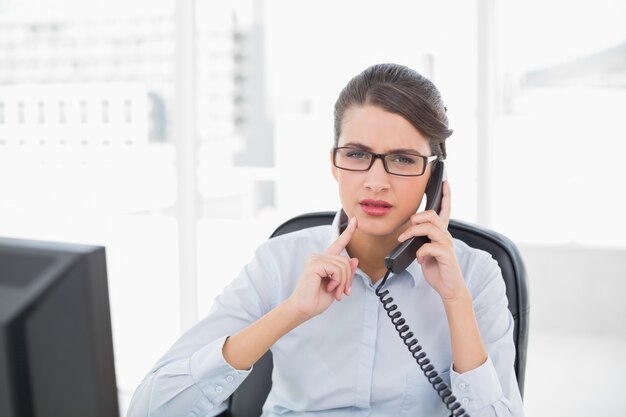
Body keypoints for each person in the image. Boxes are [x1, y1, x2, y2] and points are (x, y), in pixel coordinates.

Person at [127, 63, 524, 417]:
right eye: (356, 154)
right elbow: (150, 407)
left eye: (403, 159)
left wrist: (456, 304)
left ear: (433, 178)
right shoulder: (278, 261)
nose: (375, 180)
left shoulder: (475, 274)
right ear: (333, 164)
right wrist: (290, 313)